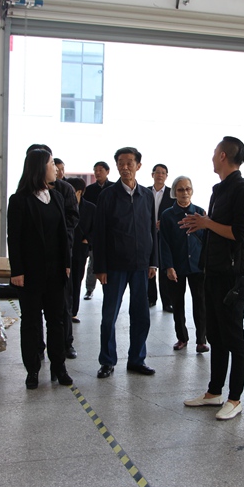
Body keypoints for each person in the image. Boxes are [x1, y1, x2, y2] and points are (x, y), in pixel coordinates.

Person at [182, 137, 244, 421]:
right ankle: (214, 392)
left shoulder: (242, 189)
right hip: (213, 272)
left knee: (234, 337)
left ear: (224, 155)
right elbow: (218, 230)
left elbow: (240, 233)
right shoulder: (219, 189)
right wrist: (201, 226)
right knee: (215, 335)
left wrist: (207, 223)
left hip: (233, 276)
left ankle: (235, 399)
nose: (212, 156)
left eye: (215, 152)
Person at [7, 147, 72, 389]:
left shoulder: (56, 197)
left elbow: (63, 235)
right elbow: (13, 239)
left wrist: (67, 264)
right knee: (31, 323)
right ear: (39, 168)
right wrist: (17, 271)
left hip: (56, 272)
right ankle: (32, 370)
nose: (55, 168)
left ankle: (59, 367)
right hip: (30, 274)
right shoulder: (19, 200)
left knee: (57, 321)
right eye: (52, 163)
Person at [93, 147, 158, 379]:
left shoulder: (147, 195)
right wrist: (99, 267)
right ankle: (107, 361)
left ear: (138, 166)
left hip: (141, 265)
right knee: (109, 316)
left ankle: (137, 359)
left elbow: (152, 230)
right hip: (114, 266)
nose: (125, 167)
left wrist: (153, 262)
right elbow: (99, 233)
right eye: (121, 162)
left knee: (141, 315)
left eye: (130, 162)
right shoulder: (107, 196)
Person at [26, 146, 79, 360]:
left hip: (61, 255)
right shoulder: (24, 196)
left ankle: (66, 344)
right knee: (34, 311)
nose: (55, 169)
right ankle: (38, 347)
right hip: (37, 261)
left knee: (62, 306)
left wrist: (59, 242)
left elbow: (72, 219)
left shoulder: (63, 190)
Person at [159, 175, 207, 352]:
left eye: (187, 189)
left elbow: (206, 240)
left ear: (192, 191)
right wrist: (168, 267)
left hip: (197, 266)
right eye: (180, 189)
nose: (184, 192)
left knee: (200, 303)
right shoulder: (167, 215)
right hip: (176, 266)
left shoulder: (200, 212)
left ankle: (201, 340)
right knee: (177, 304)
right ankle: (182, 338)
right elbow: (164, 242)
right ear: (174, 192)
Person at [82, 161, 115, 301]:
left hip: (111, 230)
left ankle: (110, 289)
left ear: (107, 171)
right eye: (95, 170)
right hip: (94, 230)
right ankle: (89, 289)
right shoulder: (89, 190)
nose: (97, 173)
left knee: (111, 262)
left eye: (100, 170)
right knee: (93, 262)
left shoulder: (114, 188)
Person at [66, 176, 95, 324]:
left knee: (76, 281)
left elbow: (96, 228)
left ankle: (73, 312)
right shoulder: (63, 205)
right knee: (64, 282)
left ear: (79, 192)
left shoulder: (90, 208)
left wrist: (87, 240)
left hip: (80, 250)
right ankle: (64, 310)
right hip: (64, 249)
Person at [148, 164, 174, 312]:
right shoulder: (145, 192)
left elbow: (175, 213)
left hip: (165, 235)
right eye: (157, 172)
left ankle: (167, 301)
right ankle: (151, 298)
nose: (160, 175)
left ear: (166, 176)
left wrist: (164, 223)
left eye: (163, 173)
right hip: (148, 234)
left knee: (165, 267)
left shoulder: (172, 194)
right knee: (149, 266)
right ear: (152, 175)